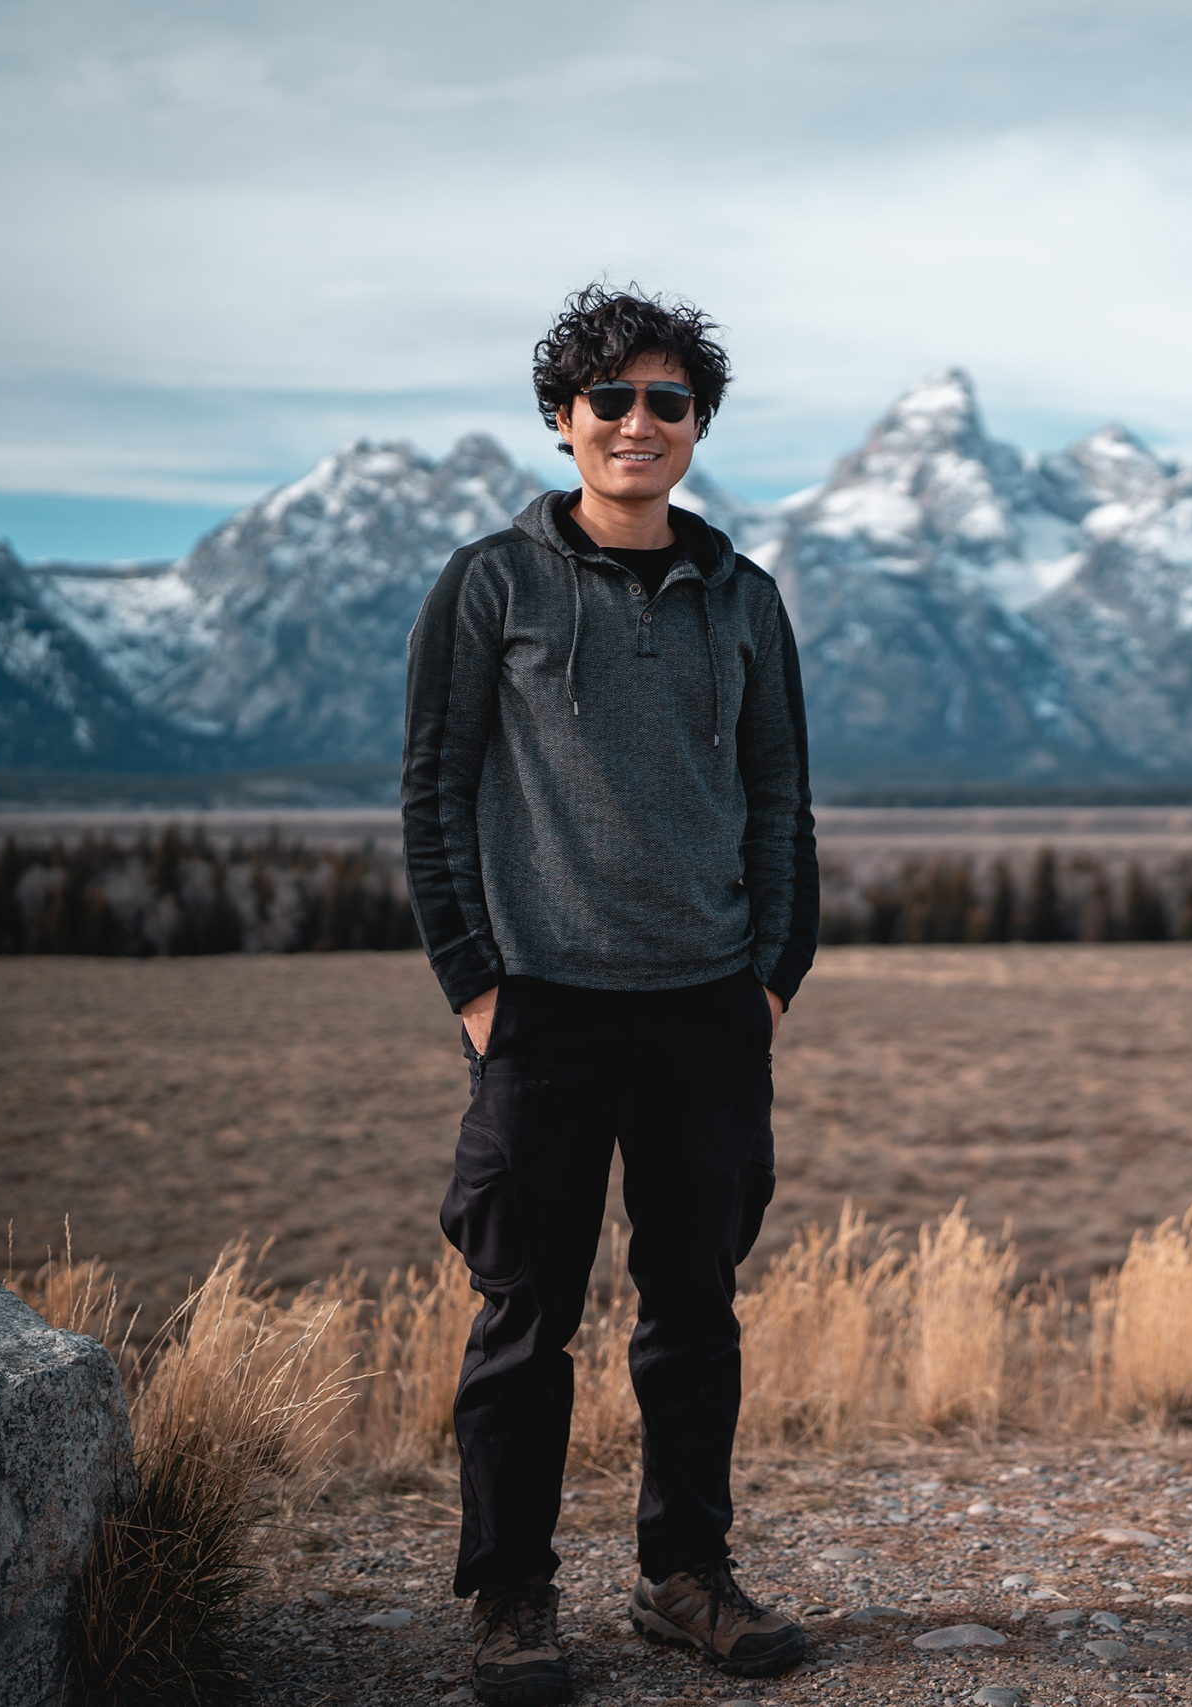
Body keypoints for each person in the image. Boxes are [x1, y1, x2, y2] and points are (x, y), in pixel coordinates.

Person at [402, 285, 819, 1706]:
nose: (638, 424)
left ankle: (682, 1580)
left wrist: (769, 981)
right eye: (611, 400)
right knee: (526, 1319)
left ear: (695, 426)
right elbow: (432, 793)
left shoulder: (746, 599)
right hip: (544, 1017)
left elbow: (780, 802)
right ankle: (510, 1599)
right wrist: (475, 988)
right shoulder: (490, 587)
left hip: (708, 1012)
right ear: (562, 420)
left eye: (668, 402)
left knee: (694, 1315)